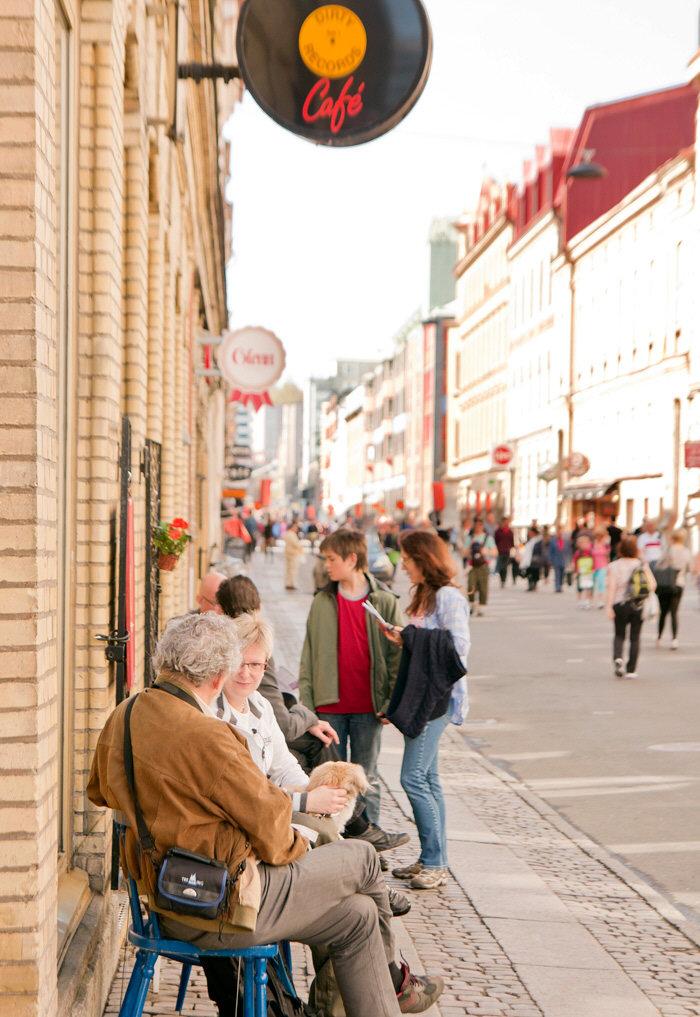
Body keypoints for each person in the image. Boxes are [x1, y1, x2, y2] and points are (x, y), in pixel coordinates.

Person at [88, 614, 443, 1017]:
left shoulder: (127, 713)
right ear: (220, 675)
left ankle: (382, 996)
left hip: (164, 893)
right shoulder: (211, 737)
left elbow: (98, 790)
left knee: (358, 916)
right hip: (219, 904)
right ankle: (398, 981)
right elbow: (275, 837)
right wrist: (304, 840)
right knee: (362, 857)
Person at [216, 576, 409, 857]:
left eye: (255, 665)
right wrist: (305, 799)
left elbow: (283, 765)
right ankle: (358, 838)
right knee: (342, 846)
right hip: (246, 831)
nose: (247, 673)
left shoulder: (258, 704)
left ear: (265, 665)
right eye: (240, 664)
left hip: (273, 810)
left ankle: (358, 838)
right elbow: (245, 796)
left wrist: (314, 791)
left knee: (358, 876)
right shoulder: (215, 715)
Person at [383, 530, 470, 891]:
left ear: (424, 559)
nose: (402, 565)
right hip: (425, 696)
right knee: (429, 779)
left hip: (436, 699)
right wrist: (405, 637)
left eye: (407, 559)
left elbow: (459, 647)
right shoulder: (426, 595)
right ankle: (430, 858)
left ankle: (436, 862)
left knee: (412, 778)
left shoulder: (449, 596)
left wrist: (413, 638)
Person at [299, 529, 403, 828]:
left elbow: (397, 657)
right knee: (327, 779)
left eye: (331, 559)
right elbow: (308, 657)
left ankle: (370, 843)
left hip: (369, 707)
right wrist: (308, 708)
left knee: (366, 777)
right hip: (329, 705)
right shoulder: (322, 601)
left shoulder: (383, 601)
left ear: (352, 558)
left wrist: (389, 701)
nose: (326, 565)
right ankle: (332, 837)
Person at [605, 535, 656, 678]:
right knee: (635, 637)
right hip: (637, 604)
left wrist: (608, 607)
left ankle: (618, 658)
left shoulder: (614, 566)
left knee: (619, 634)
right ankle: (631, 669)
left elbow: (611, 588)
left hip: (619, 604)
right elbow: (652, 585)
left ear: (620, 549)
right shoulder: (641, 565)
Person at [656, 530, 692, 649]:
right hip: (679, 584)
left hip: (665, 585)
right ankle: (674, 639)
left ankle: (659, 637)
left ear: (672, 538)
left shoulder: (668, 550)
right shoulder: (686, 552)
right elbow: (689, 568)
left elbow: (659, 565)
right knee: (674, 612)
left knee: (663, 612)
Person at [464, 517, 495, 616]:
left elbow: (495, 552)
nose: (478, 526)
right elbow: (464, 553)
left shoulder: (488, 538)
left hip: (483, 565)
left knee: (483, 587)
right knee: (470, 586)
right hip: (472, 565)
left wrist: (486, 551)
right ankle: (472, 604)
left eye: (480, 524)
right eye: (476, 524)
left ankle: (481, 607)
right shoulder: (470, 537)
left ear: (482, 526)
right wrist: (469, 550)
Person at [573, 533, 595, 608]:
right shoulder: (578, 553)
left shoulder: (591, 552)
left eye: (586, 543)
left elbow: (594, 561)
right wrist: (576, 571)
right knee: (580, 587)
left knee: (589, 587)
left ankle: (588, 600)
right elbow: (575, 562)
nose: (585, 545)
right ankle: (580, 600)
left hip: (589, 572)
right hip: (581, 572)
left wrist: (593, 569)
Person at [548, 524, 571, 593]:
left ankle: (560, 584)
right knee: (557, 574)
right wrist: (550, 560)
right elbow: (550, 551)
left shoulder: (566, 541)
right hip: (556, 560)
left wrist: (569, 559)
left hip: (564, 560)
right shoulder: (553, 541)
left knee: (562, 574)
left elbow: (569, 551)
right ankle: (557, 587)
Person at [591, 528, 611, 609]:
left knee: (601, 583)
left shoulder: (606, 545)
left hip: (602, 566)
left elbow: (608, 556)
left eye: (601, 536)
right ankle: (590, 600)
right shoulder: (592, 544)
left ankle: (601, 600)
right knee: (591, 584)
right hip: (592, 567)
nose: (599, 537)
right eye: (597, 536)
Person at [494, 516, 515, 588]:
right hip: (500, 551)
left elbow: (512, 542)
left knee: (505, 566)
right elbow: (495, 540)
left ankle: (503, 580)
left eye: (507, 522)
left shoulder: (510, 532)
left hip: (507, 551)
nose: (506, 523)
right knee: (500, 566)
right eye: (505, 522)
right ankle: (501, 579)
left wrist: (512, 548)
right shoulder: (498, 531)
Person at [283, 520, 304, 590]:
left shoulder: (288, 533)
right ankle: (291, 583)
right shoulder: (291, 534)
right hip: (293, 554)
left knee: (289, 570)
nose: (296, 529)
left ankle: (288, 583)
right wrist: (301, 548)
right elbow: (296, 544)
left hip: (289, 554)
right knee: (293, 570)